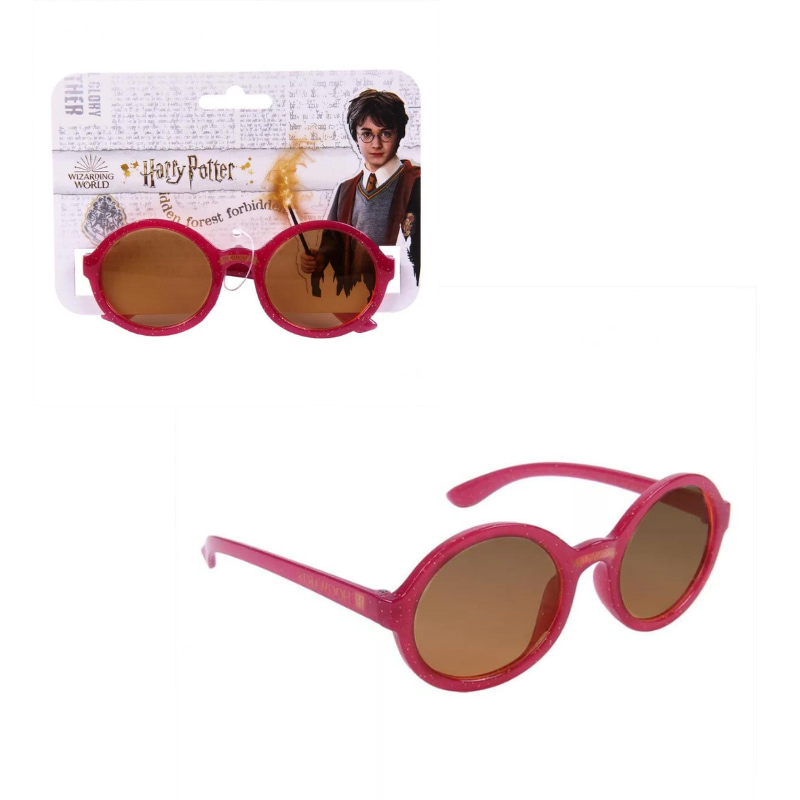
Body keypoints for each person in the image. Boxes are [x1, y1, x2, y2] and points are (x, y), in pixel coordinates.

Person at [301, 89, 421, 298]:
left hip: (399, 295)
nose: (376, 144)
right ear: (355, 137)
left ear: (400, 134)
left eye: (386, 133)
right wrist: (319, 260)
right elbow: (332, 244)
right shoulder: (345, 191)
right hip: (353, 297)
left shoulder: (417, 184)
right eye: (367, 134)